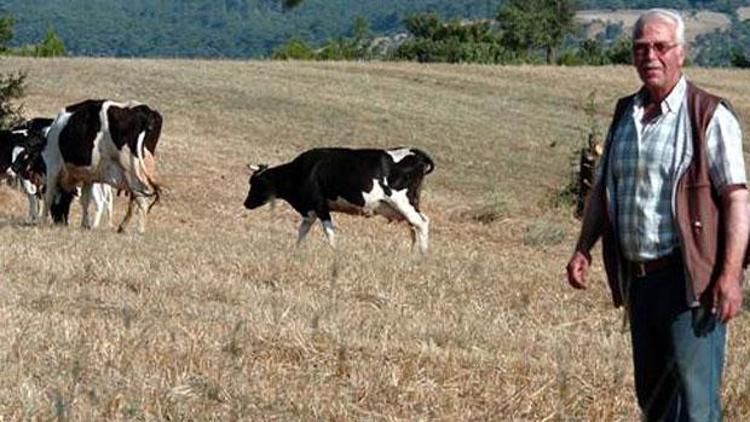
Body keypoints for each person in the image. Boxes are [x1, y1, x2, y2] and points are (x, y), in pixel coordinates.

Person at [566, 8, 748, 421]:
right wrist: (583, 248)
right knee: (655, 402)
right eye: (641, 47)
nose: (650, 55)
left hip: (690, 284)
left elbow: (738, 199)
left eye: (661, 47)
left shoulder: (708, 115)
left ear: (681, 53)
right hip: (641, 283)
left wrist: (730, 276)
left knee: (697, 407)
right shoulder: (625, 114)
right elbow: (603, 191)